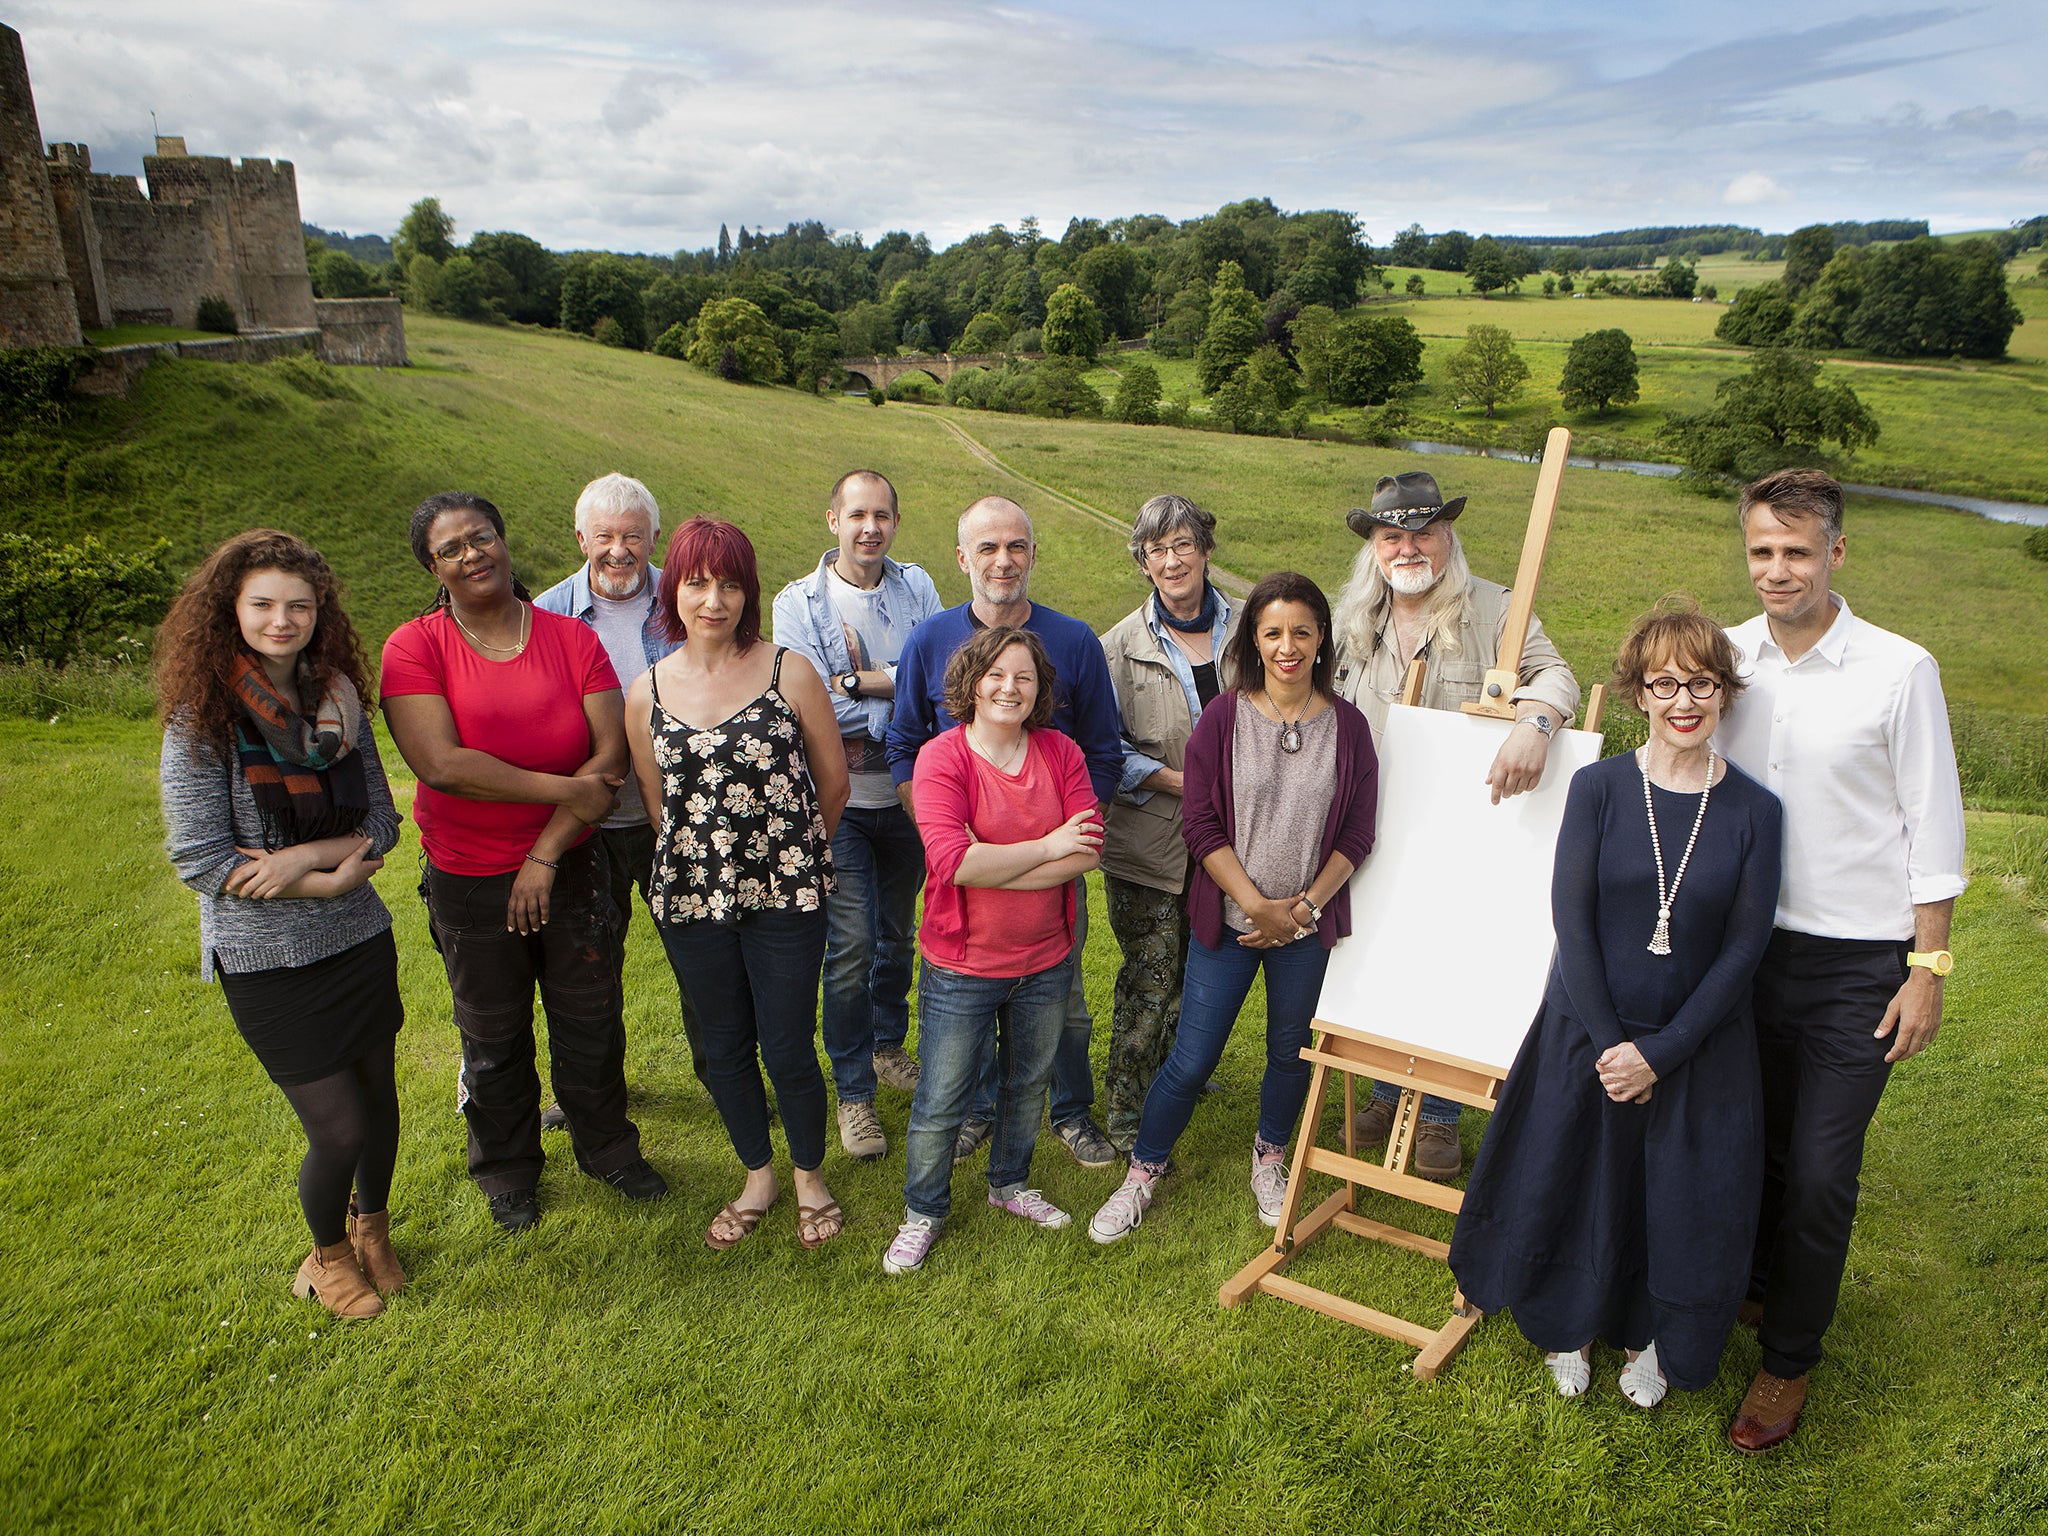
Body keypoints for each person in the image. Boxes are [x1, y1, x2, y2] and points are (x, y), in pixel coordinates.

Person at [1448, 599, 1783, 1408]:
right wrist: (1611, 1048)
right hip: (1586, 1035)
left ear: (1724, 694)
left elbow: (1744, 948)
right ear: (1638, 695)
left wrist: (1661, 1053)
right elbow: (1572, 920)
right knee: (1576, 1183)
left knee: (1676, 1201)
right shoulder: (1599, 788)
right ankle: (1568, 1322)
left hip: (1697, 1048)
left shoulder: (1756, 813)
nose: (1684, 702)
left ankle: (1654, 1336)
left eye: (1701, 684)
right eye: (1665, 684)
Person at [1715, 469, 1966, 1452]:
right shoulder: (1726, 659)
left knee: (1820, 1168)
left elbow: (1931, 822)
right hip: (1742, 952)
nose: (1776, 571)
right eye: (1759, 552)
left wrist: (1926, 966)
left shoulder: (1898, 670)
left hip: (1856, 963)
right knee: (1756, 1145)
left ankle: (1786, 1362)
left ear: (1834, 554)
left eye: (1795, 551)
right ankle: (1751, 1287)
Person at [381, 491, 666, 1234]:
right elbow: (442, 765)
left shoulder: (571, 638)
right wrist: (563, 787)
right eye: (451, 549)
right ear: (433, 568)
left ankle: (607, 1147)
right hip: (469, 877)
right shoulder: (415, 648)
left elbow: (609, 760)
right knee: (492, 1029)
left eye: (482, 538)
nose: (472, 555)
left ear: (505, 543)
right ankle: (507, 1168)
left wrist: (544, 849)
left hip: (571, 865)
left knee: (591, 1016)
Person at [157, 530, 406, 1319]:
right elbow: (200, 858)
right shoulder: (203, 720)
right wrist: (325, 881)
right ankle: (325, 1256)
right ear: (231, 610)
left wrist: (306, 864)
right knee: (337, 1128)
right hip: (265, 957)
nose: (281, 620)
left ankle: (373, 1232)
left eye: (299, 606)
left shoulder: (338, 704)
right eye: (263, 603)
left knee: (381, 1102)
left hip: (357, 939)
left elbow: (384, 824)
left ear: (319, 613)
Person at [1088, 572, 1378, 1244]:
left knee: (1289, 1052)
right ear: (1253, 638)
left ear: (1321, 639)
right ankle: (1142, 1173)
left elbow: (1358, 832)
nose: (1287, 645)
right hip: (1229, 921)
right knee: (1191, 1059)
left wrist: (1303, 909)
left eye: (1301, 631)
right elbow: (1201, 824)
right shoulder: (1223, 716)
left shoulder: (1350, 726)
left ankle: (1269, 1159)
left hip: (1306, 926)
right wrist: (1255, 905)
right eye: (1272, 631)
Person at [1330, 471, 1581, 1180]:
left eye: (1423, 533)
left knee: (1444, 964)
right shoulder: (1356, 619)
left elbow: (1556, 676)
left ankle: (1437, 1115)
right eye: (1391, 537)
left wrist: (1536, 723)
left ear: (1447, 537)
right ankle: (1385, 1093)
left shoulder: (1496, 608)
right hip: (1369, 823)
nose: (1407, 549)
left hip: (1459, 833)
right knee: (1379, 959)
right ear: (1374, 548)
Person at [627, 517, 851, 1250]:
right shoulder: (647, 691)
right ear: (674, 589)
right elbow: (659, 805)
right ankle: (757, 1172)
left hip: (787, 894)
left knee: (786, 1043)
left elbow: (834, 784)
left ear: (748, 591)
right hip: (691, 897)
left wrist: (791, 856)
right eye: (696, 583)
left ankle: (809, 1176)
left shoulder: (791, 672)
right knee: (723, 1044)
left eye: (729, 583)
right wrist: (708, 862)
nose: (713, 600)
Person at [887, 496, 1123, 1169]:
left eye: (1016, 546)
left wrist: (1076, 828)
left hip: (1055, 869)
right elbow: (906, 741)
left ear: (1032, 556)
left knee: (1065, 1006)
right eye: (987, 548)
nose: (1002, 560)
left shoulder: (1074, 639)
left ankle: (1071, 1112)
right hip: (965, 865)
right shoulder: (929, 641)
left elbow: (1103, 751)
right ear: (962, 558)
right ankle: (981, 1111)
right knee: (970, 1001)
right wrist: (942, 826)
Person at [883, 628, 1104, 1274]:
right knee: (944, 1096)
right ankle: (923, 1210)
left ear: (1039, 690)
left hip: (1045, 959)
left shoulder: (1060, 752)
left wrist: (1007, 859)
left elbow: (1086, 852)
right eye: (997, 675)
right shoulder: (942, 759)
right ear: (972, 682)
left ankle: (1009, 1184)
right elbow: (953, 864)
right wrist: (1046, 847)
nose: (1010, 687)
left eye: (1024, 677)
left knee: (1027, 1083)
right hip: (962, 965)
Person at [771, 470, 944, 1160]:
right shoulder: (797, 602)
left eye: (882, 515)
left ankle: (883, 1045)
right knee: (848, 952)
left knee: (896, 936)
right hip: (835, 803)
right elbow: (805, 701)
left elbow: (940, 683)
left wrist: (855, 683)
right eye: (856, 515)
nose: (869, 527)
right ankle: (853, 1094)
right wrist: (893, 690)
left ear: (896, 522)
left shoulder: (919, 588)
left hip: (907, 798)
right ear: (832, 520)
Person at [533, 471, 703, 1115]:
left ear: (655, 537)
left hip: (677, 819)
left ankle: (723, 1077)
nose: (618, 550)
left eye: (633, 535)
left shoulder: (689, 603)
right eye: (604, 535)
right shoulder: (546, 615)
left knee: (700, 957)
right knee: (586, 966)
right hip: (585, 823)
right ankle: (593, 1091)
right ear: (581, 537)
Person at [1097, 494, 1237, 1153]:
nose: (1173, 560)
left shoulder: (1252, 630)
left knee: (1199, 972)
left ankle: (1176, 1076)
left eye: (1184, 544)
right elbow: (1109, 749)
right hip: (1150, 844)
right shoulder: (1117, 649)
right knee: (1149, 982)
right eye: (1158, 550)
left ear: (1207, 550)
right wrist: (1187, 784)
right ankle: (1125, 1111)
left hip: (1231, 843)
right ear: (1143, 562)